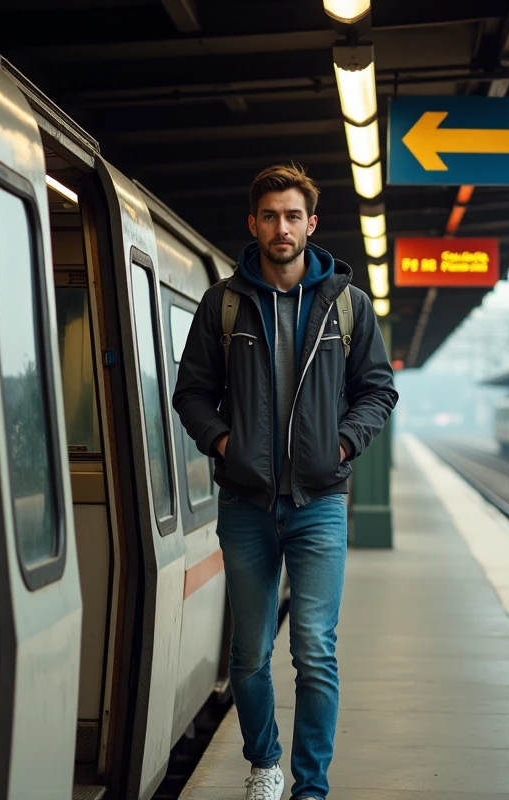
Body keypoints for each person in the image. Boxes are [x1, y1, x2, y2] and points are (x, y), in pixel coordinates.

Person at [172, 163, 398, 800]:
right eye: (270, 215)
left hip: (319, 503)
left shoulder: (346, 307)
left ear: (311, 225)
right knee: (248, 653)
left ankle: (310, 788)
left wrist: (343, 442)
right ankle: (264, 763)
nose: (281, 227)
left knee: (313, 650)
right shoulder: (225, 304)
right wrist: (224, 443)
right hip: (246, 503)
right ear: (253, 224)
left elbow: (377, 390)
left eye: (293, 215)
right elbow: (191, 393)